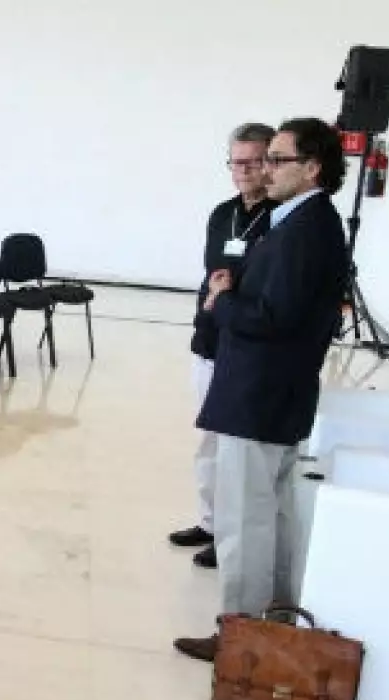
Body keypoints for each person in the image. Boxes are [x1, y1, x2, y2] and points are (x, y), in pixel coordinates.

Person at [174, 117, 349, 662]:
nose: (265, 171)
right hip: (273, 394)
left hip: (260, 393)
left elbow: (275, 316)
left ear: (312, 168)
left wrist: (223, 302)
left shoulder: (306, 228)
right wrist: (236, 284)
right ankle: (272, 622)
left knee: (245, 520)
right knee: (270, 513)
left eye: (277, 159)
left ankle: (243, 634)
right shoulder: (301, 221)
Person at [170, 123, 277, 570]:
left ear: (270, 163)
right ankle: (210, 522)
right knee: (208, 442)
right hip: (211, 338)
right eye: (238, 161)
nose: (245, 170)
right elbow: (209, 273)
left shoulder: (279, 218)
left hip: (246, 345)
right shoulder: (222, 214)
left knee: (236, 452)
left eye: (255, 161)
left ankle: (230, 536)